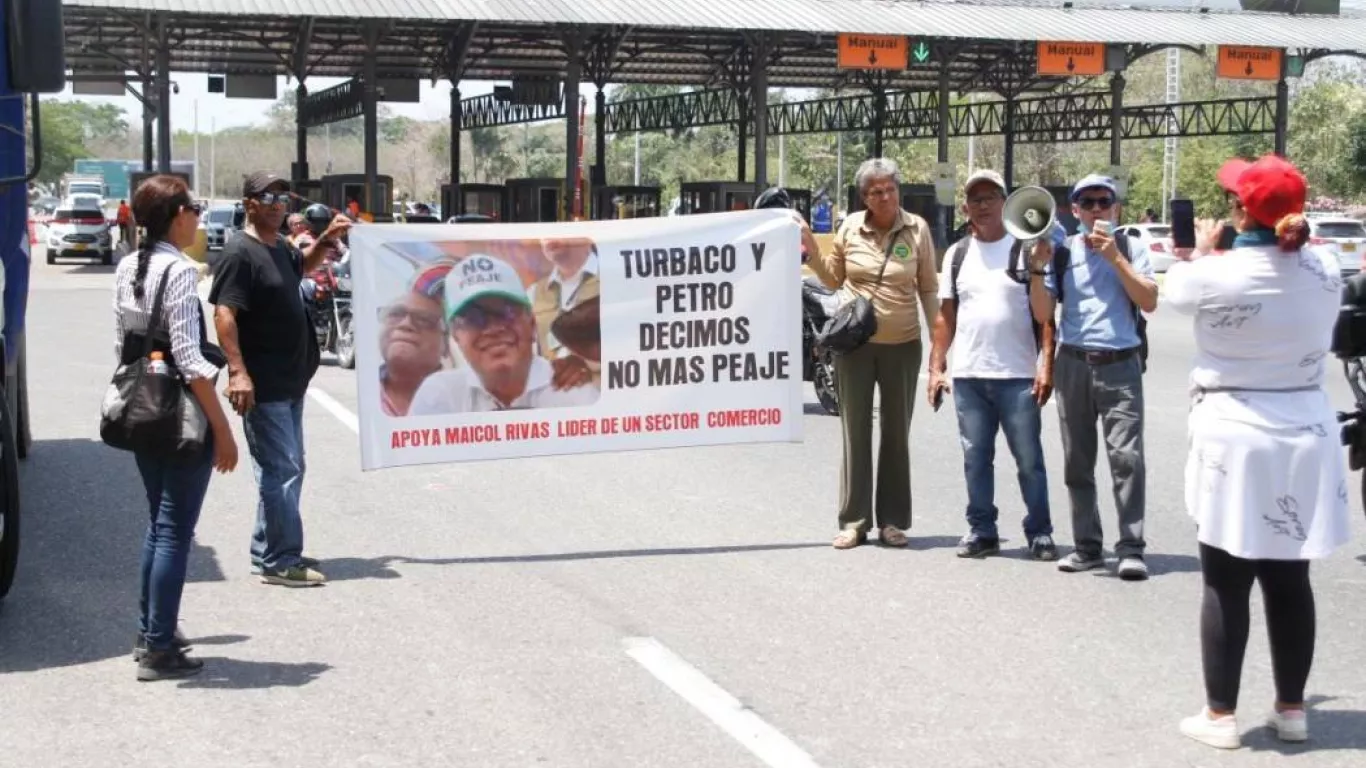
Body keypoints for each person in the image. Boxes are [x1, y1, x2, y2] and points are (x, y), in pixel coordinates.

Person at [1165, 155, 1350, 750]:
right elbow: (1300, 251)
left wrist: (1204, 249)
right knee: (1290, 578)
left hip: (1235, 429)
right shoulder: (1323, 267)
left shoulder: (1212, 274)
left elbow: (1177, 293)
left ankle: (1220, 716)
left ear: (1243, 209)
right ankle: (1292, 709)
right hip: (1303, 426)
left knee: (1224, 579)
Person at [113, 174, 239, 681]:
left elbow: (123, 345)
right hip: (182, 415)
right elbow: (191, 360)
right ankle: (159, 646)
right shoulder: (181, 272)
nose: (199, 218)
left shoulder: (127, 267)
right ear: (177, 215)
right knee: (173, 533)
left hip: (142, 407)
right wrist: (223, 431)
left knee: (159, 526)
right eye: (194, 208)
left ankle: (151, 632)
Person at [209, 171, 350, 588]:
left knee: (287, 467)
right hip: (264, 381)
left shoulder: (280, 247)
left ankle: (267, 548)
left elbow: (301, 269)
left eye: (282, 196)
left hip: (291, 380)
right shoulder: (241, 252)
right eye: (267, 196)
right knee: (282, 469)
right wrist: (237, 372)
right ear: (249, 202)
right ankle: (280, 560)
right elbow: (224, 314)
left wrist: (325, 241)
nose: (276, 203)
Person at [802, 158, 940, 549]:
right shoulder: (849, 228)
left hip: (904, 346)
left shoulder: (917, 229)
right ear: (864, 196)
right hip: (855, 346)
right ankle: (854, 521)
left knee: (897, 434)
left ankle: (893, 521)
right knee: (854, 432)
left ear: (899, 190)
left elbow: (928, 289)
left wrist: (938, 352)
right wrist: (812, 249)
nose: (884, 196)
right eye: (875, 191)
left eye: (890, 188)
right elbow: (833, 279)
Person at [1027, 173, 1159, 580]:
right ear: (1076, 210)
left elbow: (1149, 301)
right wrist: (1035, 271)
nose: (1097, 210)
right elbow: (1043, 314)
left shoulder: (1132, 246)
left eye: (1105, 202)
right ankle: (1087, 546)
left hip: (1120, 362)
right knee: (1077, 462)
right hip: (1074, 363)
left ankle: (1131, 547)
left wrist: (1113, 258)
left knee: (1127, 459)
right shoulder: (1063, 252)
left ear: (1116, 208)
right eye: (1089, 203)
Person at [928, 169, 1058, 561]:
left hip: (1016, 375)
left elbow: (1044, 316)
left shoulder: (1026, 250)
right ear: (965, 207)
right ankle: (981, 529)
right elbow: (945, 317)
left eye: (991, 198)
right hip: (969, 376)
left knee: (1029, 460)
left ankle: (1040, 532)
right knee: (975, 459)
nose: (983, 206)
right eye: (975, 199)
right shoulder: (957, 254)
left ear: (1006, 203)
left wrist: (1045, 364)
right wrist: (936, 367)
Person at [409, 253, 600, 414]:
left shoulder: (578, 396)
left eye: (506, 313)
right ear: (456, 337)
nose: (493, 329)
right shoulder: (438, 397)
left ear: (532, 325)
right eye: (473, 318)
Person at [527, 237, 600, 384]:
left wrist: (589, 365)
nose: (548, 237)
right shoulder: (533, 293)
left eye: (556, 227)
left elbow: (631, 343)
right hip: (554, 399)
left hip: (602, 399)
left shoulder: (616, 279)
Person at [379, 269, 449, 417]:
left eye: (423, 319)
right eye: (395, 314)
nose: (405, 324)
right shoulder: (361, 393)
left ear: (446, 344)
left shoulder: (468, 403)